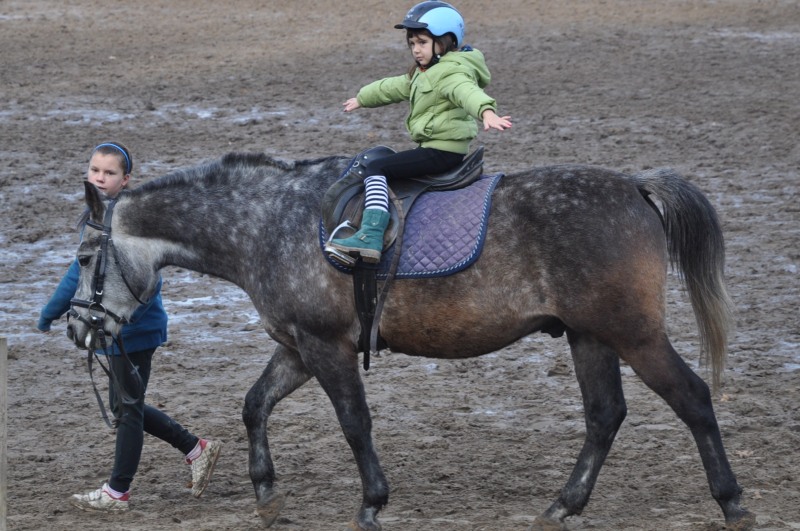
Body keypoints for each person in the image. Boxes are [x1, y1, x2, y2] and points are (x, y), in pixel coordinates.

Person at [37, 141, 222, 512]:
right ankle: (195, 447)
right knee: (124, 405)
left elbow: (148, 282)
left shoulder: (133, 220)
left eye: (109, 173)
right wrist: (53, 311)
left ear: (126, 180)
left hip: (132, 329)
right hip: (107, 326)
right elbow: (80, 271)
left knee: (128, 409)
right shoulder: (95, 215)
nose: (100, 178)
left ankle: (117, 491)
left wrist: (124, 319)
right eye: (95, 170)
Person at [326, 1, 512, 264]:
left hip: (442, 152)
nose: (416, 49)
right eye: (412, 43)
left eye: (422, 42)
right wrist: (362, 97)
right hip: (434, 149)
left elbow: (466, 92)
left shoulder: (451, 72)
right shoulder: (426, 73)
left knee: (377, 168)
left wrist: (486, 112)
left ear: (445, 42)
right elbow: (395, 86)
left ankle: (370, 235)